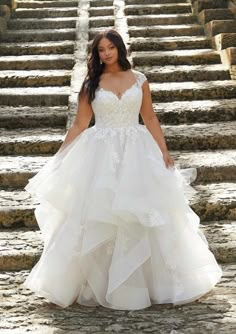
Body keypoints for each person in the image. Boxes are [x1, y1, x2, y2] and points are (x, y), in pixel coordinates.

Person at [23, 29, 222, 310]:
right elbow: (80, 124)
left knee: (142, 214)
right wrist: (61, 155)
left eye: (110, 48)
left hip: (138, 151)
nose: (106, 54)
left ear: (119, 48)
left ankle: (150, 284)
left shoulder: (139, 80)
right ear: (96, 54)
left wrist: (163, 151)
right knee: (100, 216)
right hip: (100, 154)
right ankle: (101, 285)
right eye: (100, 50)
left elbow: (149, 117)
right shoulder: (91, 83)